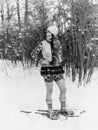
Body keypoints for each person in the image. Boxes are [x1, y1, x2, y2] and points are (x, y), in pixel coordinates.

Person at [31, 26, 68, 120]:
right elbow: (33, 54)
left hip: (57, 69)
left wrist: (60, 60)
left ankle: (63, 108)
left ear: (54, 35)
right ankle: (50, 110)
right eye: (47, 33)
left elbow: (61, 55)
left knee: (63, 89)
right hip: (47, 70)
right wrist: (41, 60)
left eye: (50, 33)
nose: (48, 35)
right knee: (50, 91)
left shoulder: (57, 44)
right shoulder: (42, 43)